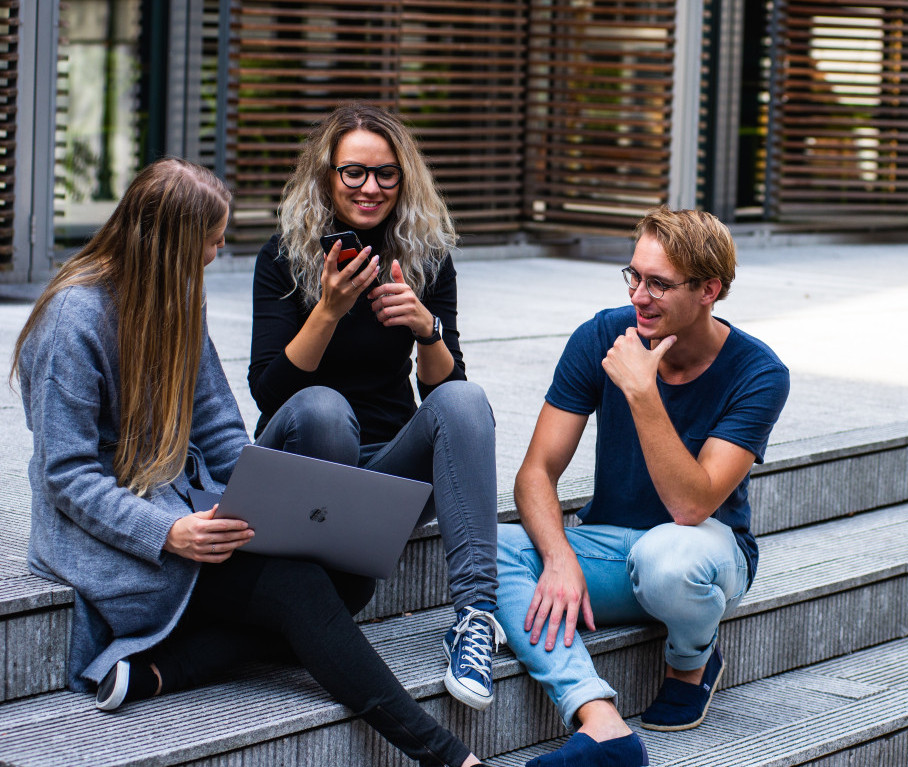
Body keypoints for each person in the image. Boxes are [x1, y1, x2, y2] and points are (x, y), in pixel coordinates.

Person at [13, 158, 489, 767]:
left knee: (350, 580)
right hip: (116, 537)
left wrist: (264, 499)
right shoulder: (71, 320)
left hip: (189, 512)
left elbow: (217, 428)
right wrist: (168, 532)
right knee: (299, 589)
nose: (213, 257)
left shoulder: (177, 296)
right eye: (209, 244)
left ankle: (167, 669)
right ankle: (446, 755)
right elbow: (67, 475)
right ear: (170, 242)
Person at [494, 207, 790, 766]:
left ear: (709, 289)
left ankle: (692, 658)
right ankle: (598, 720)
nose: (639, 296)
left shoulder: (759, 373)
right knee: (491, 547)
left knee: (667, 556)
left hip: (703, 550)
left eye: (658, 283)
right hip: (609, 545)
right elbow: (535, 472)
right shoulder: (602, 335)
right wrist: (558, 557)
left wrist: (642, 392)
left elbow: (692, 504)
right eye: (634, 276)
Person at [248, 104, 503, 711]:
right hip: (304, 463)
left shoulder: (426, 257)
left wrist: (427, 329)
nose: (370, 188)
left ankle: (474, 619)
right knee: (324, 409)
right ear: (327, 176)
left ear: (404, 178)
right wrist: (329, 310)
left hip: (386, 475)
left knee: (465, 400)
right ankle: (315, 592)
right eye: (354, 172)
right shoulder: (283, 257)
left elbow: (447, 396)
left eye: (386, 174)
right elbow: (270, 393)